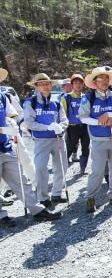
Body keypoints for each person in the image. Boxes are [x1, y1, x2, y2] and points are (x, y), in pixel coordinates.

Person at [0, 69, 61, 226]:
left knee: (21, 180)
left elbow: (13, 114)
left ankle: (37, 210)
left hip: (6, 145)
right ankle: (2, 216)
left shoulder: (2, 96)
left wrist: (11, 122)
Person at [78, 66, 112, 213]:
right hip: (98, 140)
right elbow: (83, 117)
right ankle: (91, 197)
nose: (104, 81)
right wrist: (99, 121)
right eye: (101, 79)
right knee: (97, 170)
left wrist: (110, 115)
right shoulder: (88, 98)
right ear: (95, 82)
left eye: (106, 78)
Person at [23, 73, 69, 209]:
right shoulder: (31, 102)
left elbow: (65, 120)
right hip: (41, 140)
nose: (45, 86)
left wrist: (61, 127)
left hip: (58, 139)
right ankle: (42, 197)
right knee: (41, 168)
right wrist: (47, 127)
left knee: (61, 167)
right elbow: (29, 122)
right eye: (41, 84)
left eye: (47, 83)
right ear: (37, 87)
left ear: (51, 85)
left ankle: (56, 193)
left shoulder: (56, 102)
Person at [59, 74, 90, 175]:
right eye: (75, 83)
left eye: (80, 83)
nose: (78, 85)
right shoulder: (66, 98)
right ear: (72, 85)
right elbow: (62, 114)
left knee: (86, 148)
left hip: (85, 126)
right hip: (72, 127)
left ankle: (82, 169)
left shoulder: (86, 97)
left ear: (83, 85)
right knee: (69, 148)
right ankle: (61, 170)